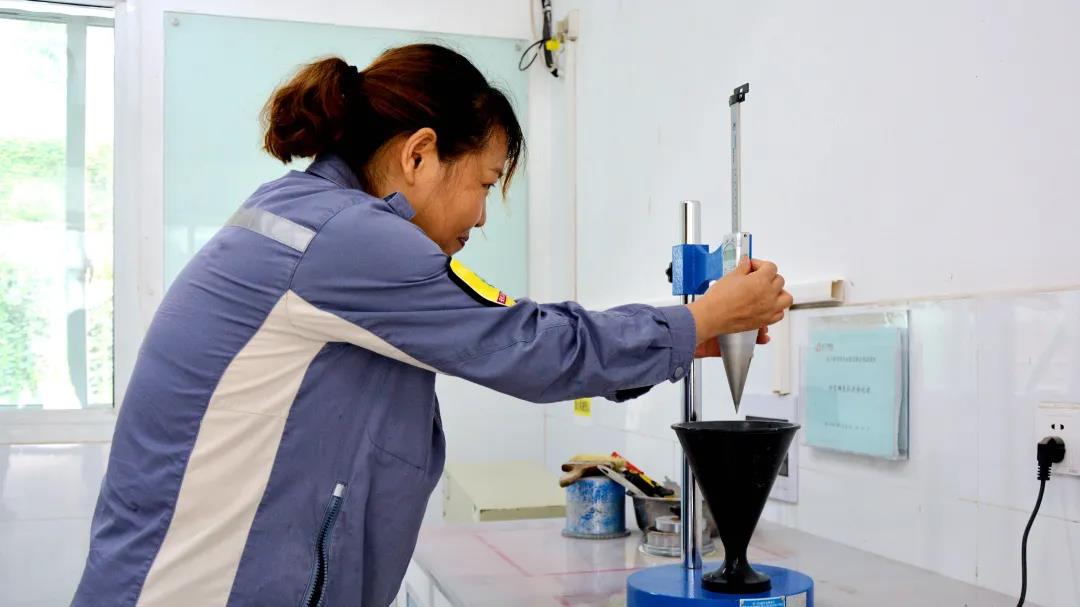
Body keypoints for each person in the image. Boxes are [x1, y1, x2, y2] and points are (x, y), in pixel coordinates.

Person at [72, 43, 792, 607]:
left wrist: (683, 336)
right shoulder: (346, 237)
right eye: (483, 183)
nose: (481, 215)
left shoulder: (310, 219)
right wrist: (697, 317)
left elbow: (510, 335)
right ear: (418, 154)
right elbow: (528, 344)